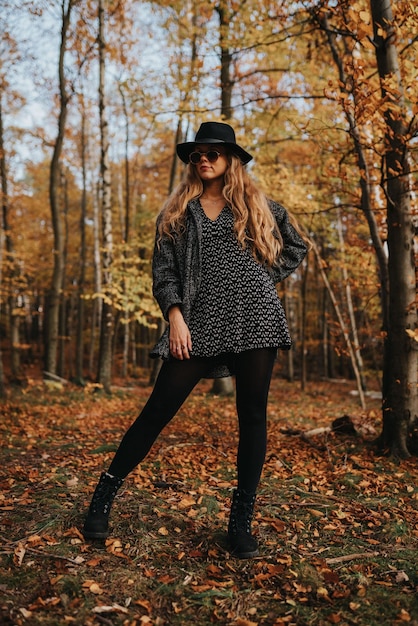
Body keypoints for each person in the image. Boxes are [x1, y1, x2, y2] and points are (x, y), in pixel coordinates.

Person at [82, 121, 308, 559]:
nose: (203, 159)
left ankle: (240, 522)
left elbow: (296, 248)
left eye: (213, 153)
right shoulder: (176, 213)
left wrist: (263, 279)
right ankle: (102, 499)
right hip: (198, 323)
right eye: (196, 155)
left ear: (232, 160)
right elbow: (163, 273)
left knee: (253, 418)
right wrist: (176, 316)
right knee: (156, 411)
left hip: (255, 319)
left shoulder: (260, 205)